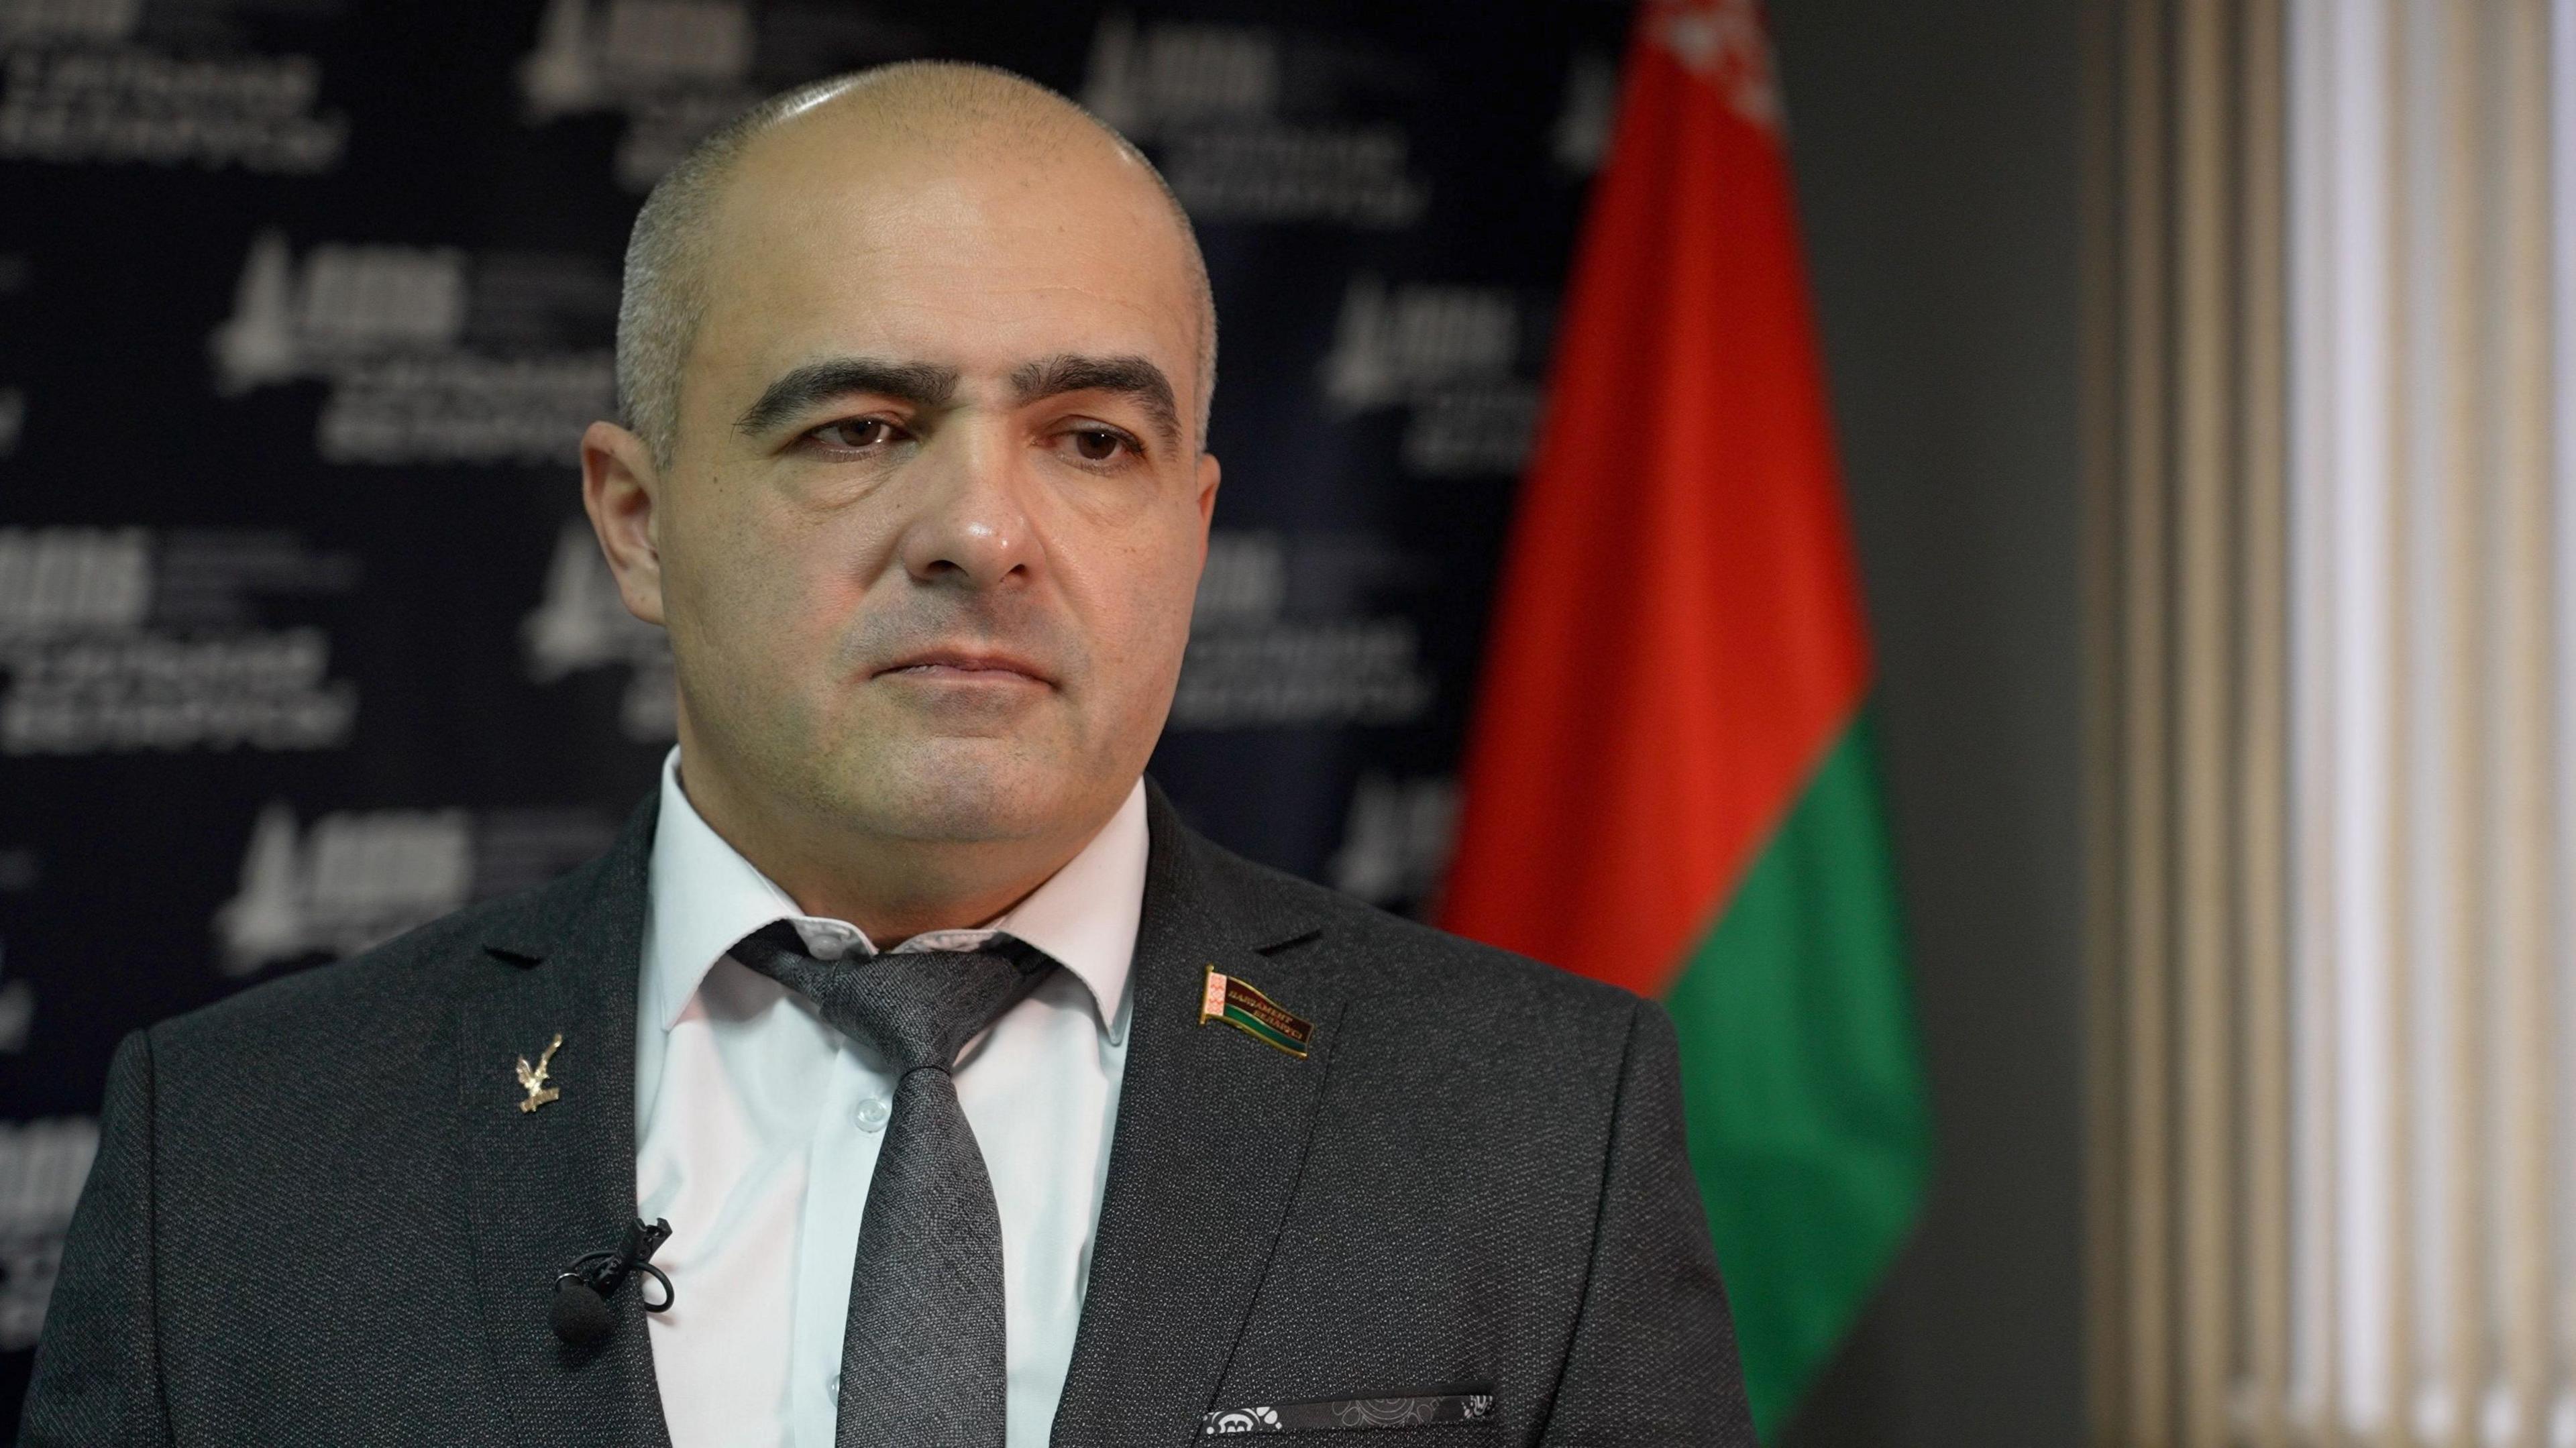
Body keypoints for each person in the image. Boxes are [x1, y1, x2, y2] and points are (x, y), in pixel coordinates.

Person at [20, 62, 1752, 1448]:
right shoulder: (235, 1159)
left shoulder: (1544, 1128)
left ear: (1196, 526)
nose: (987, 529)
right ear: (634, 520)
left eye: (1091, 438)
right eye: (862, 427)